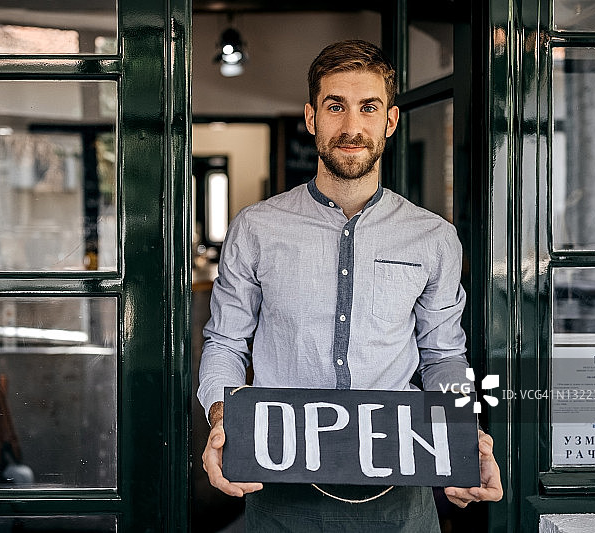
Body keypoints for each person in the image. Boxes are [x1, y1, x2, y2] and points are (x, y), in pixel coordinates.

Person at [197, 39, 503, 531]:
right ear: (312, 117)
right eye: (335, 106)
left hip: (400, 488)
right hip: (279, 484)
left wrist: (467, 434)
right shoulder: (255, 228)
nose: (352, 127)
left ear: (391, 121)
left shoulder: (433, 237)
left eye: (369, 107)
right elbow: (225, 342)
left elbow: (443, 355)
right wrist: (222, 418)